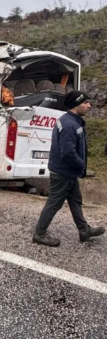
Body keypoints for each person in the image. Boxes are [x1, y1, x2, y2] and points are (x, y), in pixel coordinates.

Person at [33, 90, 105, 247]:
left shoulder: (71, 120)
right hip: (63, 172)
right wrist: (81, 165)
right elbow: (68, 152)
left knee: (75, 201)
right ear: (75, 104)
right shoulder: (69, 124)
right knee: (54, 203)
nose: (89, 105)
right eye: (85, 102)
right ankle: (39, 234)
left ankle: (84, 230)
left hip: (68, 172)